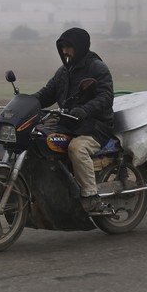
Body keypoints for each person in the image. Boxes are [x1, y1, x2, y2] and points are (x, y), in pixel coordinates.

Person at [32, 27, 114, 213]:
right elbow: (47, 93)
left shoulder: (97, 68)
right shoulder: (64, 71)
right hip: (69, 123)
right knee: (38, 138)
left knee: (76, 148)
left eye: (69, 47)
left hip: (95, 127)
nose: (65, 52)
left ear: (81, 47)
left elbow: (106, 97)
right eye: (63, 47)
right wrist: (27, 102)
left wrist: (84, 110)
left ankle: (91, 197)